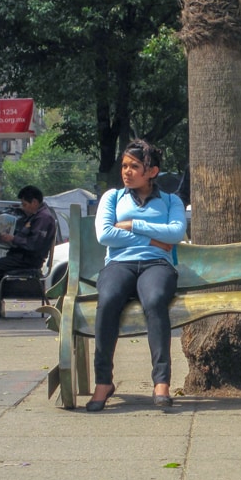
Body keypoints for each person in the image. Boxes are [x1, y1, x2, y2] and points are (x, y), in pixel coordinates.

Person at [86, 139, 187, 412]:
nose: (126, 172)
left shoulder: (170, 201)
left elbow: (176, 233)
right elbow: (105, 235)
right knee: (107, 301)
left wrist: (132, 224)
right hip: (119, 265)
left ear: (152, 171)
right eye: (124, 166)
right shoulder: (113, 198)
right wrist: (154, 239)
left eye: (134, 166)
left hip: (157, 266)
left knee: (155, 301)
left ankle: (161, 382)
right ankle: (104, 381)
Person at [0, 185, 57, 317]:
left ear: (35, 202)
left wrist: (13, 239)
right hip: (21, 256)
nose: (23, 208)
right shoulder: (35, 216)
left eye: (25, 204)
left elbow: (34, 245)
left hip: (27, 260)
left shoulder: (43, 218)